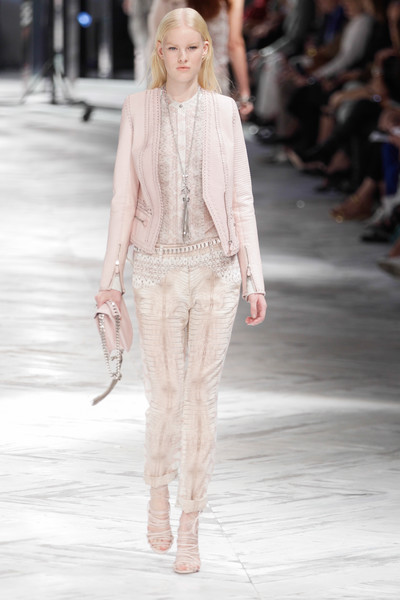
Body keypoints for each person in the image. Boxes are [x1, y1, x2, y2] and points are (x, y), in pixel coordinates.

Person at [95, 7, 266, 575]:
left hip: (217, 270)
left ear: (205, 52)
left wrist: (254, 278)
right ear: (160, 52)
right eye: (174, 48)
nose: (184, 58)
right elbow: (123, 197)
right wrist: (109, 279)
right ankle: (157, 492)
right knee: (165, 393)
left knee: (201, 396)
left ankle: (191, 522)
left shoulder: (223, 112)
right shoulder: (138, 109)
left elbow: (241, 198)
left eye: (193, 48)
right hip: (155, 269)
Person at [147, 0, 255, 119]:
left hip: (173, 79)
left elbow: (157, 42)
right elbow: (234, 44)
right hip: (212, 80)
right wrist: (244, 94)